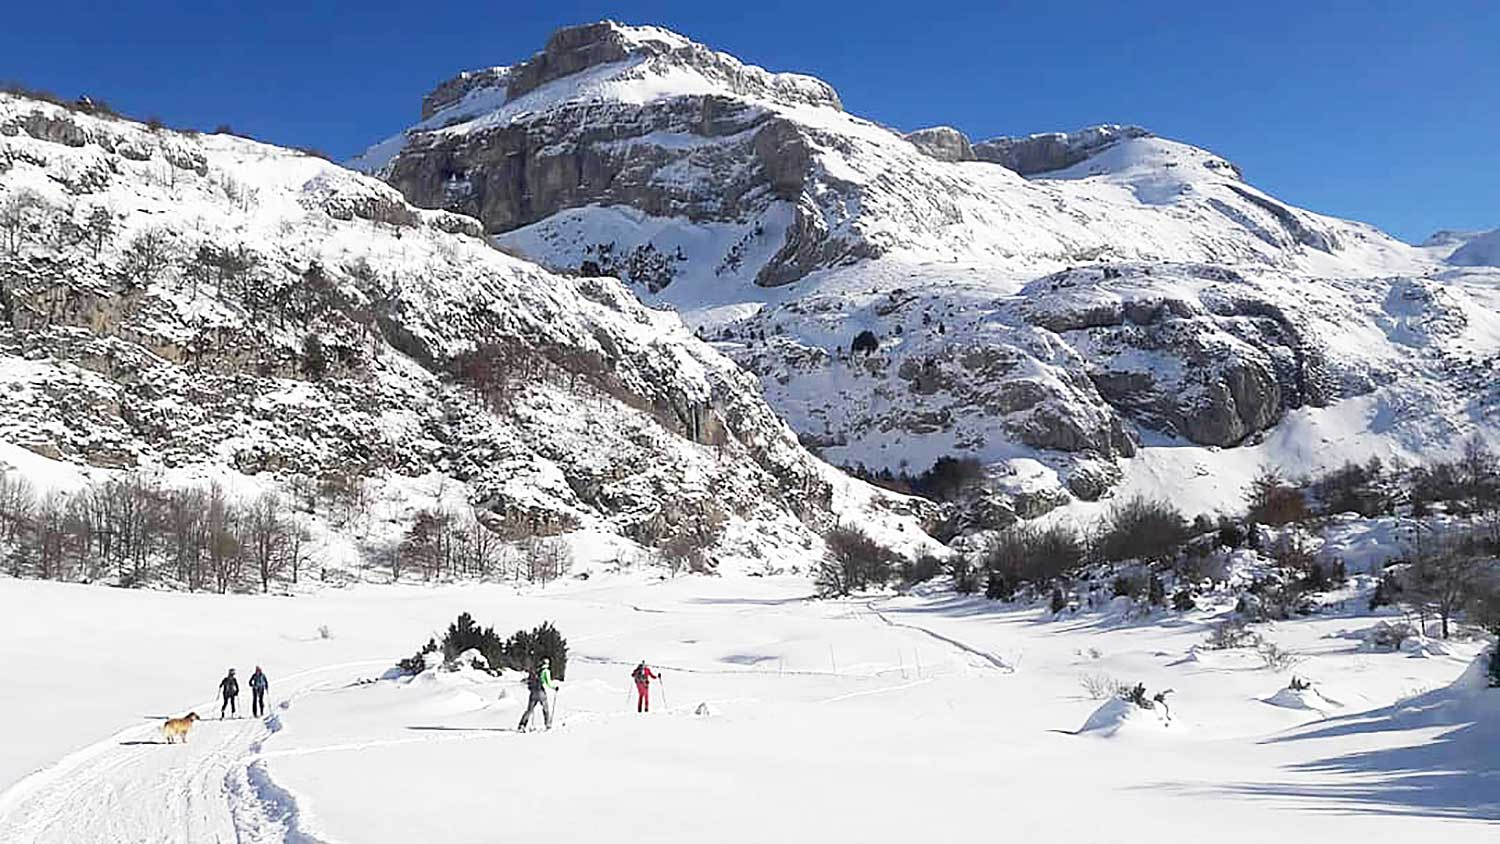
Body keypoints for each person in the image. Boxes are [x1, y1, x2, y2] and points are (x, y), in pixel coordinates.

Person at [517, 658, 556, 731]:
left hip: (533, 692)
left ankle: (522, 724)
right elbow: (548, 683)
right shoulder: (546, 671)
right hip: (541, 692)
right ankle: (547, 724)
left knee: (529, 710)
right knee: (545, 709)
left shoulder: (537, 670)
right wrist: (554, 687)